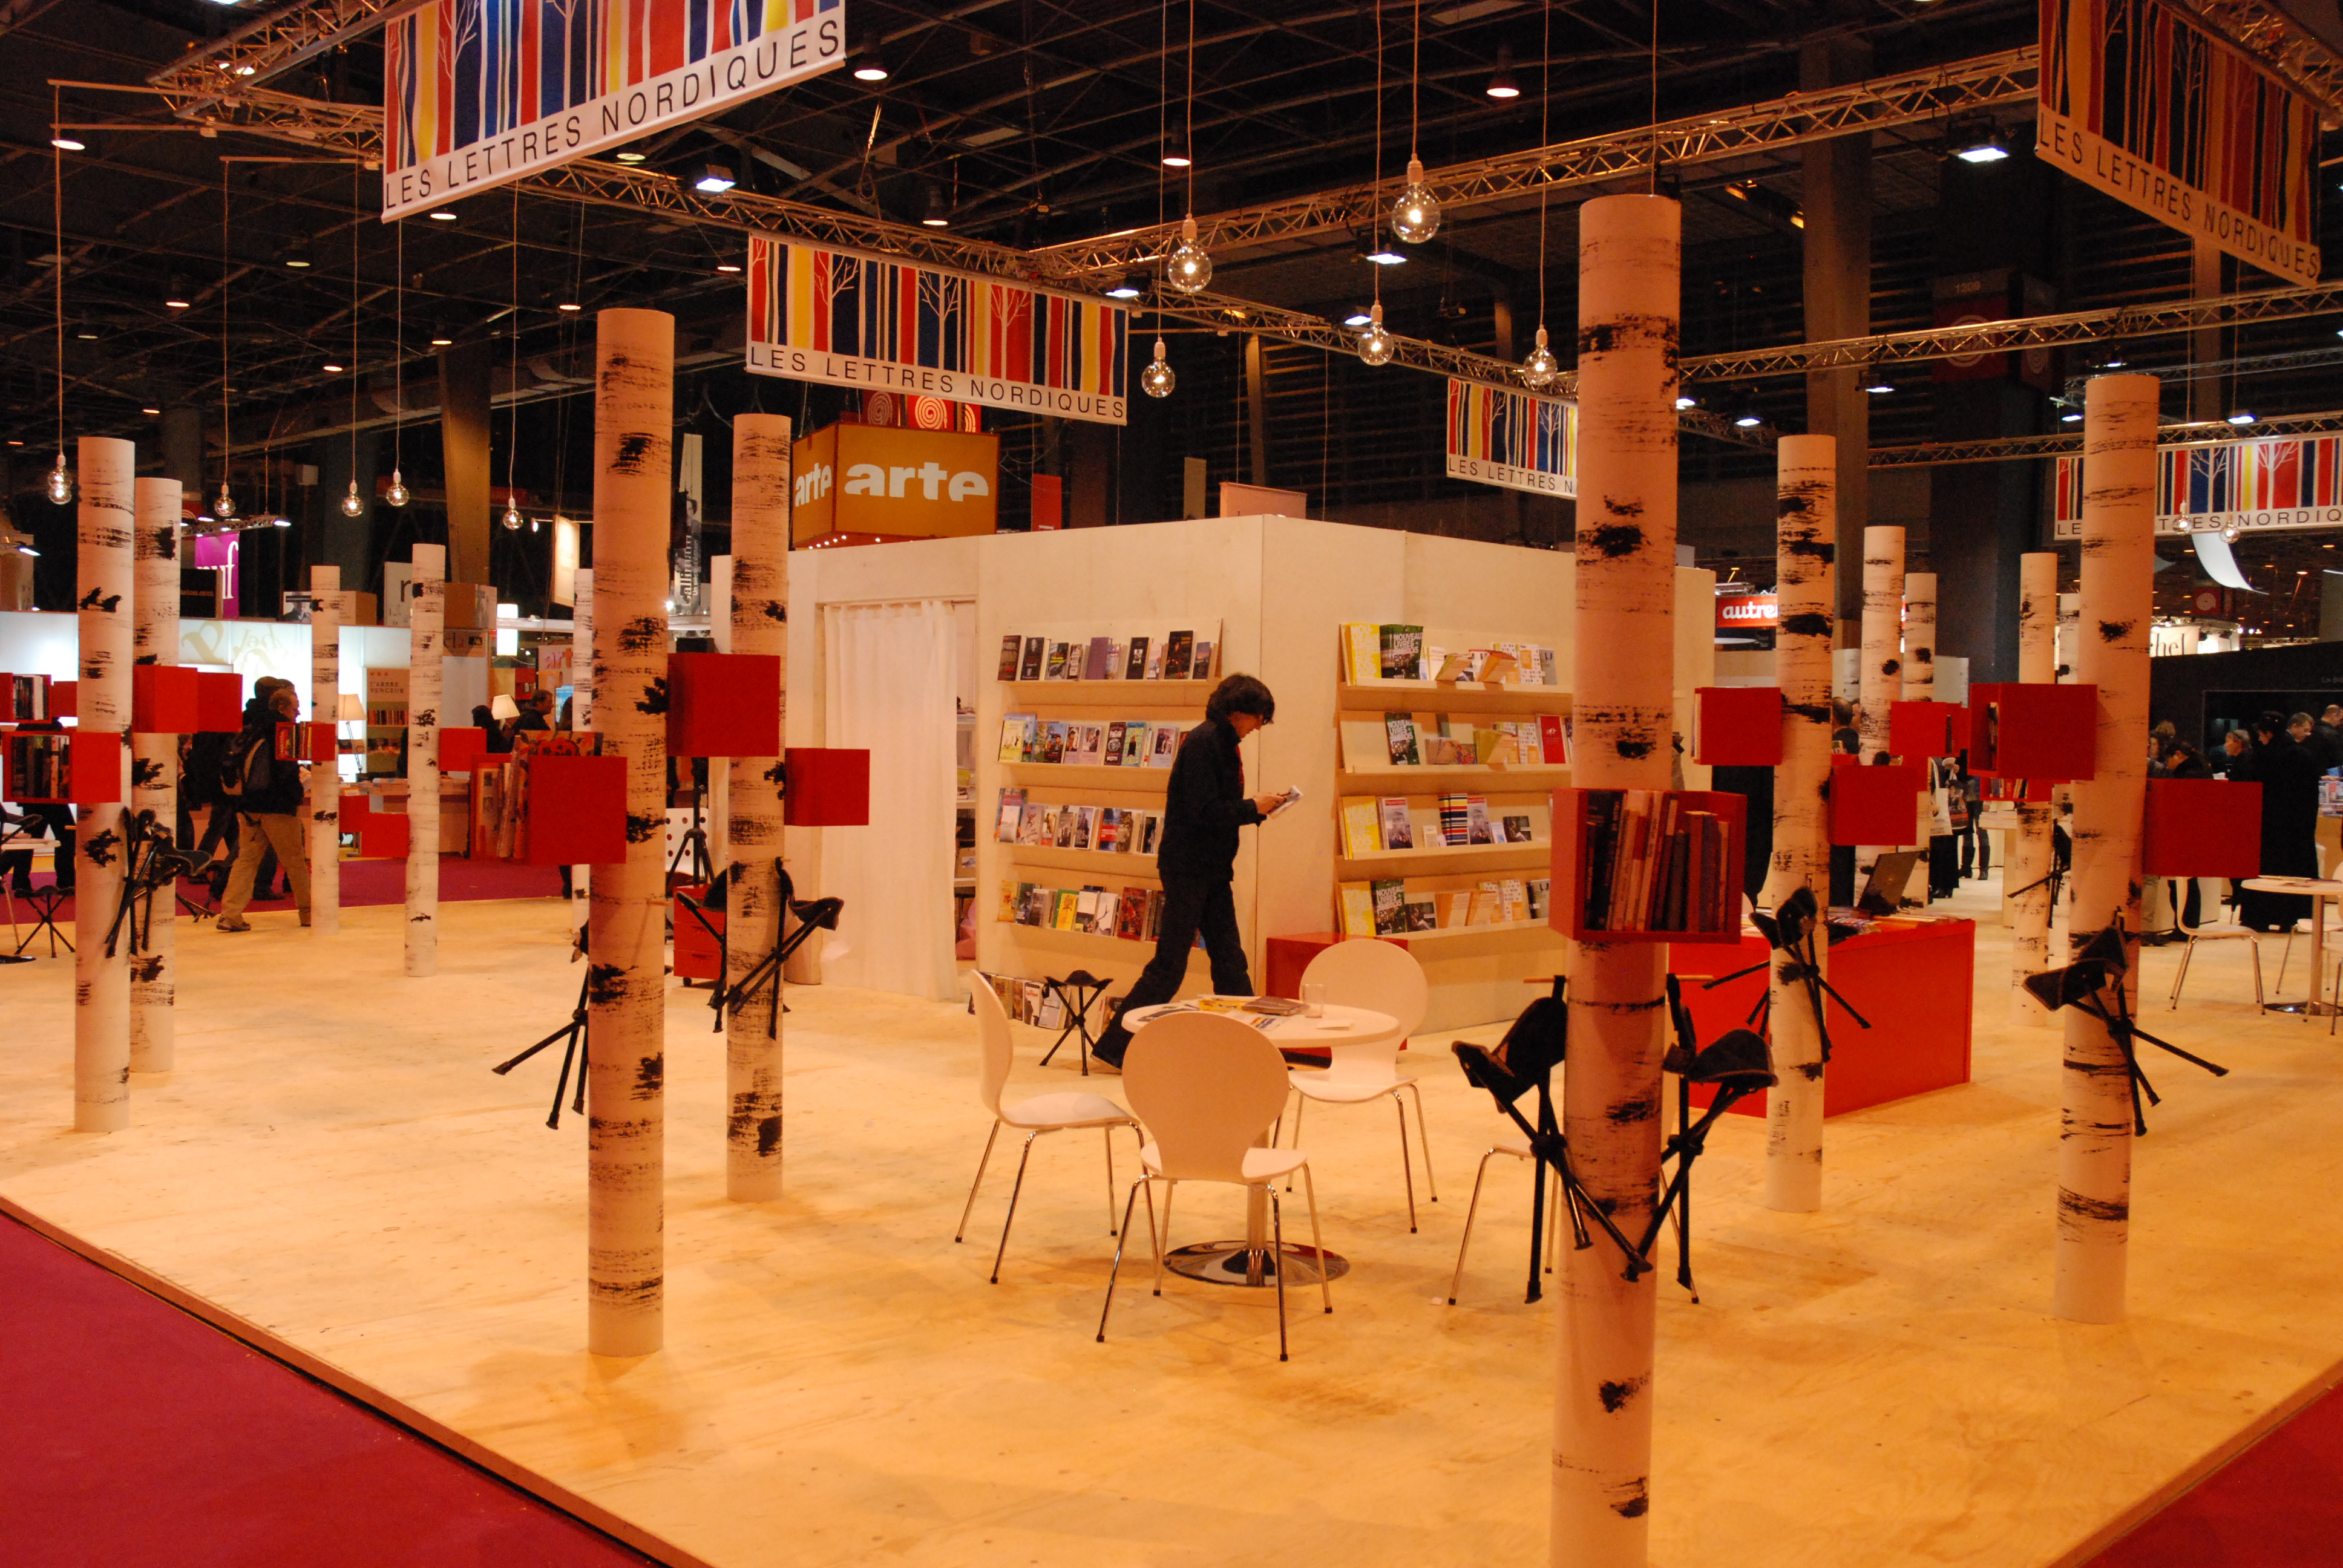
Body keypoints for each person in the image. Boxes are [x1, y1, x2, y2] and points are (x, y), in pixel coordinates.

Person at [1092, 674, 1286, 1068]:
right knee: (1170, 964)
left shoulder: (1222, 742)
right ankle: (1115, 1047)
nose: (1258, 727)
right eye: (1257, 718)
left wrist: (1258, 808)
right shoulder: (1204, 743)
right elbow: (1205, 812)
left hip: (1212, 869)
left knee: (1230, 960)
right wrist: (1254, 808)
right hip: (1189, 869)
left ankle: (1249, 1045)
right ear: (1237, 712)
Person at [215, 679, 313, 932]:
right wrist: (295, 797)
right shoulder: (282, 731)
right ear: (282, 706)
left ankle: (230, 915)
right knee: (294, 861)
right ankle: (308, 914)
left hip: (248, 805)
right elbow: (286, 772)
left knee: (246, 861)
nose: (298, 713)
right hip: (277, 806)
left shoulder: (249, 725)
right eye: (295, 707)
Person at [2233, 710, 2321, 933]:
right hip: (2296, 832)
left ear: (2268, 733)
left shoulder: (2257, 759)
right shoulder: (2304, 756)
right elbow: (2311, 798)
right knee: (2292, 872)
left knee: (2265, 873)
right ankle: (2290, 917)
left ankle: (2260, 917)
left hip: (2266, 830)